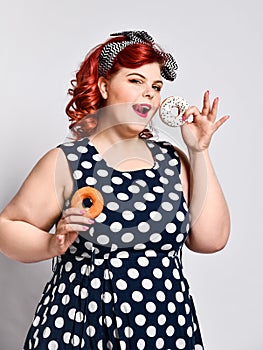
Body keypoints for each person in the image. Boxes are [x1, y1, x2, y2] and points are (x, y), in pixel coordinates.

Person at [0, 30, 230, 350]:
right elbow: (7, 228)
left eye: (156, 86)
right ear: (104, 86)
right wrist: (53, 243)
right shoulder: (68, 161)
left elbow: (211, 239)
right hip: (80, 328)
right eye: (136, 81)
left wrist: (199, 151)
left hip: (164, 328)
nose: (149, 93)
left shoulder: (174, 161)